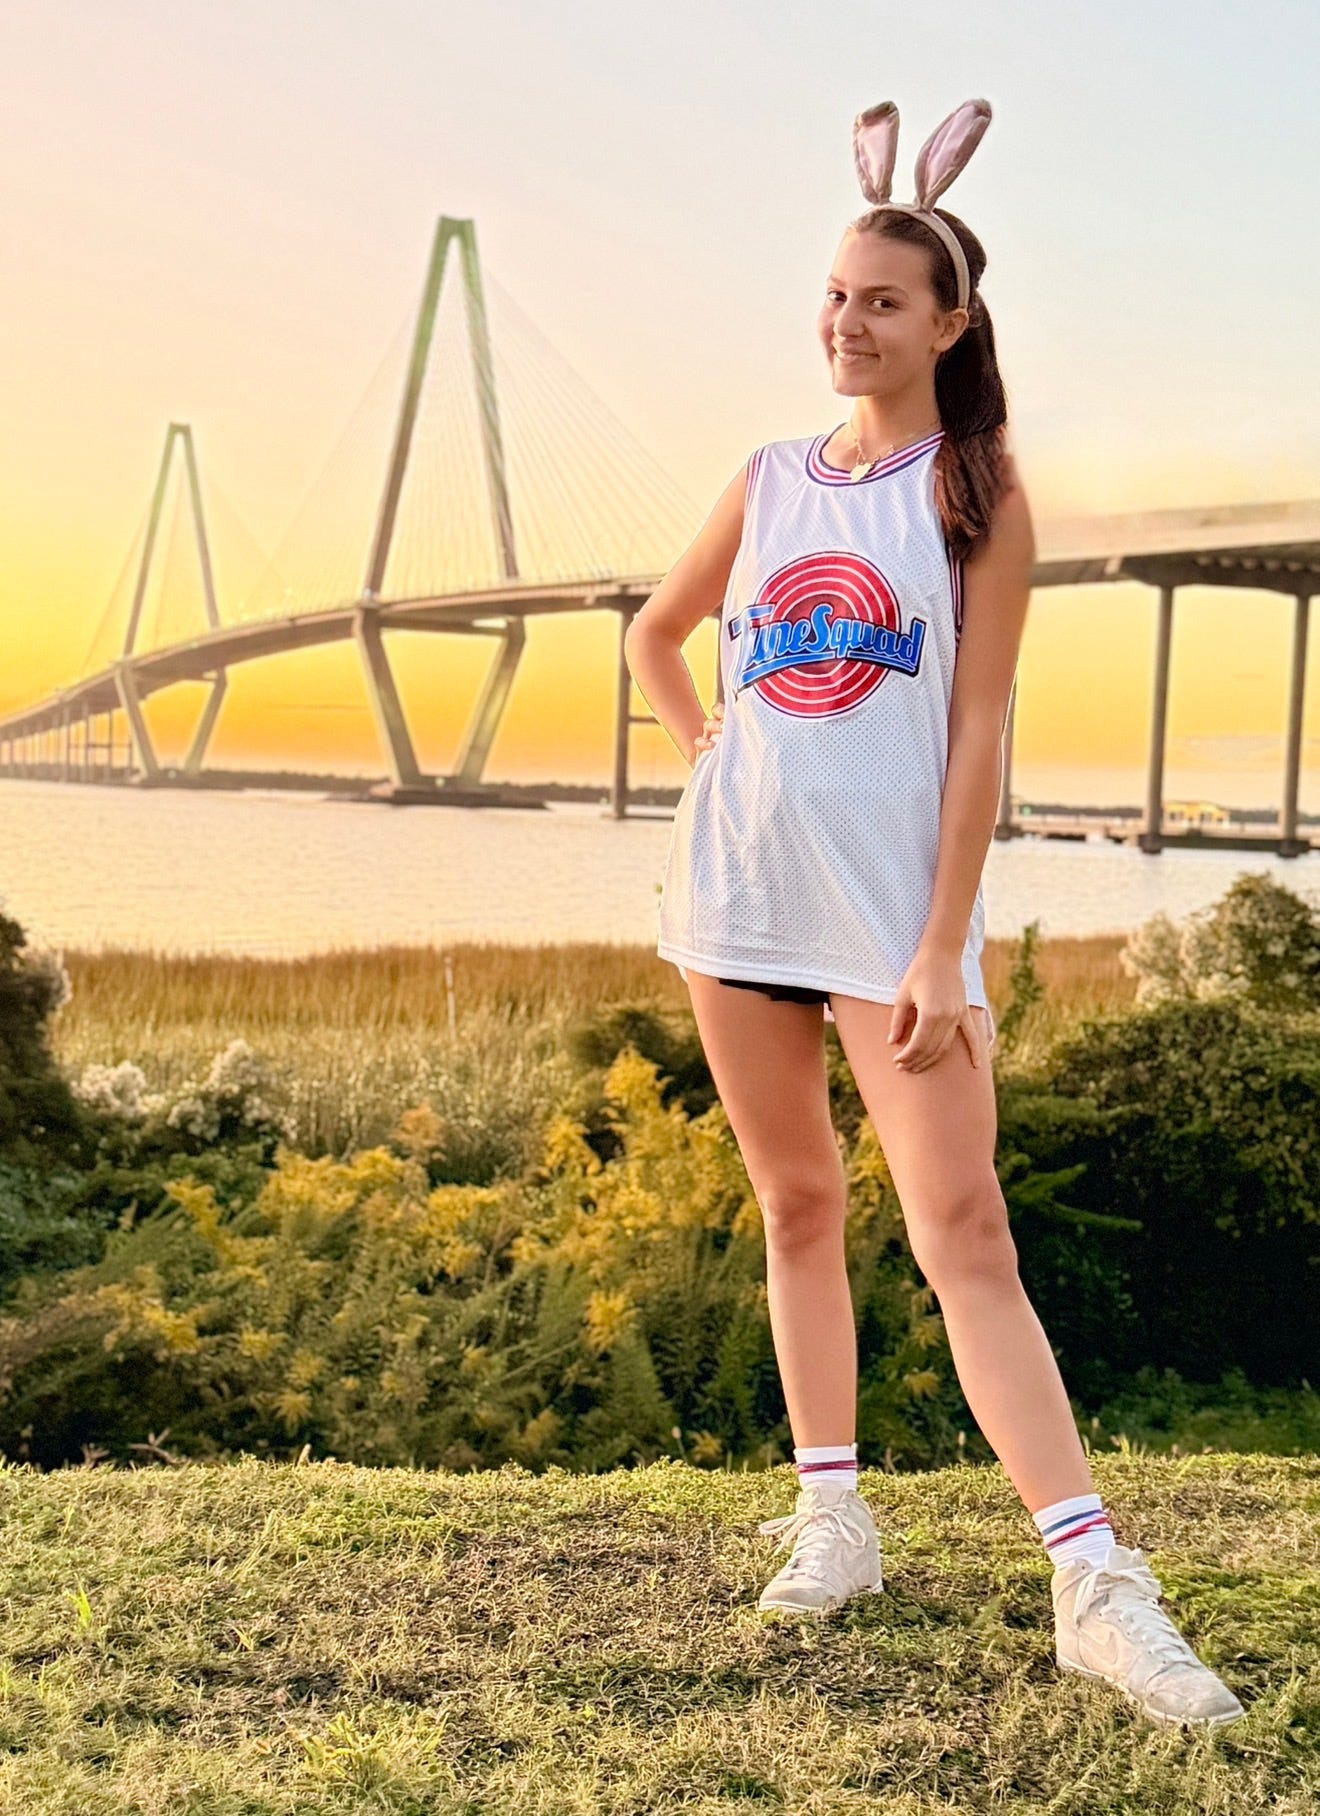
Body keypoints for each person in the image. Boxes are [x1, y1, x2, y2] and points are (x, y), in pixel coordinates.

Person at [623, 97, 1245, 1730]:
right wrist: (708, 759)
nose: (847, 321)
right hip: (734, 895)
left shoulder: (976, 493)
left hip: (891, 918)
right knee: (796, 1204)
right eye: (836, 294)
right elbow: (655, 635)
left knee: (965, 1232)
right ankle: (832, 1518)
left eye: (883, 301)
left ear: (950, 324)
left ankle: (1096, 1586)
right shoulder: (767, 478)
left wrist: (938, 945)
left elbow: (977, 733)